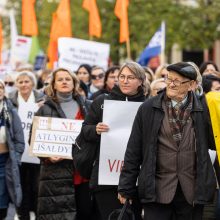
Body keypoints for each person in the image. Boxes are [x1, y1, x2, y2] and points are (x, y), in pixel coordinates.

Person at [118, 62, 216, 220]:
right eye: (168, 78)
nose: (170, 84)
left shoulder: (204, 109)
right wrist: (125, 187)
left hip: (191, 193)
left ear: (192, 85)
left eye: (177, 81)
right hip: (157, 190)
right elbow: (133, 150)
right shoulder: (148, 108)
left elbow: (214, 143)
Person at [81, 61, 146, 220]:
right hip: (106, 178)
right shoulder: (102, 101)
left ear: (141, 81)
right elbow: (84, 130)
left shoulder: (147, 105)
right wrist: (95, 129)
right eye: (122, 77)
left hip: (135, 179)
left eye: (130, 77)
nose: (125, 80)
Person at [35, 68, 90, 220]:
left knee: (85, 213)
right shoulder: (44, 109)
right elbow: (34, 140)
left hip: (83, 173)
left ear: (74, 83)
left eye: (68, 79)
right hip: (56, 174)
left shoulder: (88, 107)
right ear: (53, 85)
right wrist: (47, 156)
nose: (64, 82)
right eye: (60, 79)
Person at [9, 71, 44, 220]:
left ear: (33, 83)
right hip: (17, 151)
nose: (23, 85)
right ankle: (22, 214)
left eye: (26, 81)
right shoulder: (9, 101)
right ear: (16, 84)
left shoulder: (42, 100)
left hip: (36, 152)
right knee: (20, 185)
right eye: (20, 82)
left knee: (36, 186)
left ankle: (36, 213)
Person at [0, 79, 25, 219]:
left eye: (0, 88)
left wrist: (15, 157)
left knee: (2, 196)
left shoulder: (11, 112)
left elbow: (19, 140)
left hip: (4, 161)